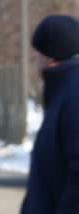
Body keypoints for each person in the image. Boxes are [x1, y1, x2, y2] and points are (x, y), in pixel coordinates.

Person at [21, 14, 79, 213]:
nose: (35, 60)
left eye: (37, 53)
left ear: (49, 56)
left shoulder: (72, 94)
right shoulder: (63, 90)